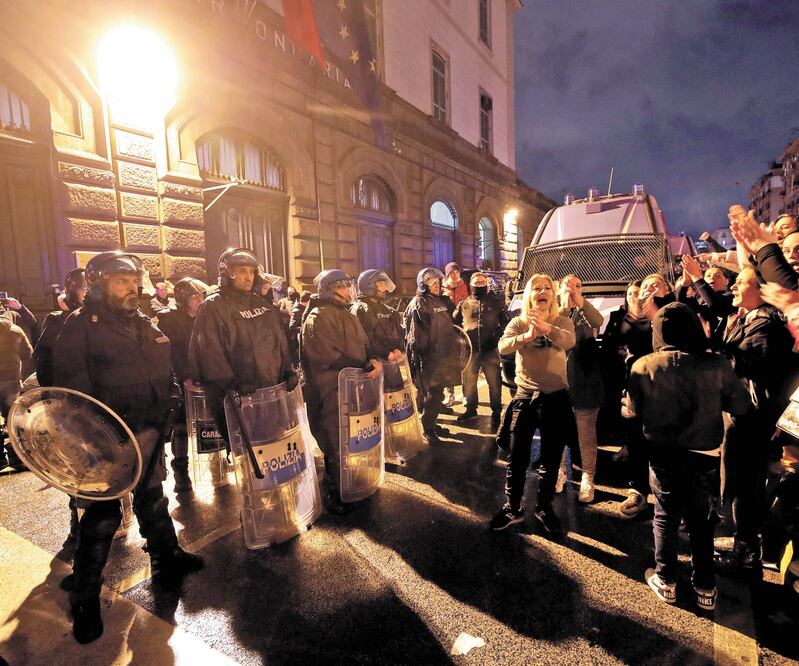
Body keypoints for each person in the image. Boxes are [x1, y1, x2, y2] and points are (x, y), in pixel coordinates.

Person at [53, 250, 203, 644]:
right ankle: (85, 595)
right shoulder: (80, 326)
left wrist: (162, 417)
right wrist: (95, 439)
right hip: (105, 440)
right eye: (122, 281)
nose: (132, 288)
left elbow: (165, 375)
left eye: (134, 280)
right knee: (102, 515)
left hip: (150, 431)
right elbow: (71, 389)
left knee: (153, 499)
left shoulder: (144, 323)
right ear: (100, 283)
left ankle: (166, 559)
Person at [627, 303, 751, 610]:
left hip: (663, 452)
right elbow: (741, 407)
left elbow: (634, 411)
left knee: (665, 514)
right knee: (701, 520)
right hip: (704, 451)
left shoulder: (643, 365)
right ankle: (706, 587)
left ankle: (666, 580)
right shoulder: (717, 363)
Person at [715, 266, 798, 574]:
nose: (734, 286)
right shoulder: (747, 318)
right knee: (742, 483)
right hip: (744, 416)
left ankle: (746, 553)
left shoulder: (766, 325)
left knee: (745, 485)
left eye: (740, 282)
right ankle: (746, 544)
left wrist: (716, 349)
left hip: (751, 420)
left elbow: (746, 363)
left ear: (761, 290)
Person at [490, 274, 577, 535]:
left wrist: (547, 329)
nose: (542, 290)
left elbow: (569, 341)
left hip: (556, 398)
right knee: (516, 458)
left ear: (553, 295)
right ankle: (512, 507)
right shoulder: (518, 321)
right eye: (536, 287)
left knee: (550, 460)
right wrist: (527, 335)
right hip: (525, 398)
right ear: (529, 295)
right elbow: (503, 347)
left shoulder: (562, 321)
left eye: (547, 287)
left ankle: (543, 507)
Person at [189, 248, 295, 444]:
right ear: (227, 273)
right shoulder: (213, 306)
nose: (248, 277)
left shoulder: (262, 304)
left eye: (251, 271)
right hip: (240, 400)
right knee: (248, 456)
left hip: (271, 393)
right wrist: (231, 384)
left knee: (275, 447)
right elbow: (210, 352)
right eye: (242, 271)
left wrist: (288, 370)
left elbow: (279, 340)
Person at [300, 269, 382, 514]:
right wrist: (361, 365)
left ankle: (349, 483)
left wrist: (372, 358)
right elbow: (326, 355)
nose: (348, 291)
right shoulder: (317, 316)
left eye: (349, 286)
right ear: (328, 289)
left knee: (348, 439)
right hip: (329, 389)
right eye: (342, 287)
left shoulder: (347, 315)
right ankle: (333, 491)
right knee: (334, 442)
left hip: (350, 387)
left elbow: (365, 345)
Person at [155, 277, 209, 492]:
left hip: (205, 377)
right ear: (183, 299)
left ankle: (216, 463)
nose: (199, 300)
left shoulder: (204, 317)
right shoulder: (170, 319)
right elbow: (171, 352)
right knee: (182, 428)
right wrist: (184, 377)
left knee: (210, 423)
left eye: (200, 296)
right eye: (195, 296)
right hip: (183, 380)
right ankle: (181, 473)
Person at [557, 273, 604, 503]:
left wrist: (580, 303)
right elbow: (555, 334)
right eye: (568, 286)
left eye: (577, 286)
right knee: (559, 431)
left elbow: (598, 322)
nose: (573, 290)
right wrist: (565, 308)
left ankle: (588, 477)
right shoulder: (555, 312)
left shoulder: (587, 311)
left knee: (585, 433)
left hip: (585, 381)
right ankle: (561, 471)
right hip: (560, 381)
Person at [404, 267, 462, 444]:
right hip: (428, 359)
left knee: (438, 393)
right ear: (423, 284)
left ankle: (432, 423)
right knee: (432, 394)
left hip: (443, 357)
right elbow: (416, 338)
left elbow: (453, 321)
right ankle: (427, 428)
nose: (437, 285)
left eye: (438, 282)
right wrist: (425, 358)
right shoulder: (419, 303)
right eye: (433, 283)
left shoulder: (440, 301)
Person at [454, 271, 508, 430]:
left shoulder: (496, 302)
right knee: (469, 382)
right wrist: (461, 340)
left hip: (490, 350)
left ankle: (496, 412)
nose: (479, 285)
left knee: (494, 383)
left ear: (487, 284)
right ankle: (470, 409)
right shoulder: (464, 303)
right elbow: (455, 323)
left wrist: (496, 336)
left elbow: (506, 323)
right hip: (471, 351)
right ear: (471, 285)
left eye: (482, 283)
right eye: (476, 283)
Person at [34, 268, 87, 388]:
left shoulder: (106, 320)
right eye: (85, 288)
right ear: (73, 291)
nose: (90, 293)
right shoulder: (57, 320)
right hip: (71, 394)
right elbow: (44, 362)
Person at [0, 314, 33, 471]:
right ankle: (20, 456)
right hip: (12, 380)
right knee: (13, 419)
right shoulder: (15, 330)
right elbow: (28, 353)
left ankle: (1, 458)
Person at [351, 270, 404, 365]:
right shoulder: (361, 309)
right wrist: (387, 354)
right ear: (368, 286)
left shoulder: (389, 311)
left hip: (392, 361)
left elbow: (399, 332)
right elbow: (365, 338)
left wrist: (398, 349)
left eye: (384, 284)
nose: (385, 288)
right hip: (374, 362)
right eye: (380, 284)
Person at [442, 262, 467, 407]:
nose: (454, 275)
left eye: (457, 272)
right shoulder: (442, 288)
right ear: (447, 275)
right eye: (451, 273)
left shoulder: (467, 287)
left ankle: (466, 394)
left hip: (463, 330)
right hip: (447, 330)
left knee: (465, 363)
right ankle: (450, 394)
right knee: (448, 363)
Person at [288, 290, 311, 364]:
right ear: (307, 301)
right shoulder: (297, 311)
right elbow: (292, 326)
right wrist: (304, 329)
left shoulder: (304, 309)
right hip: (299, 340)